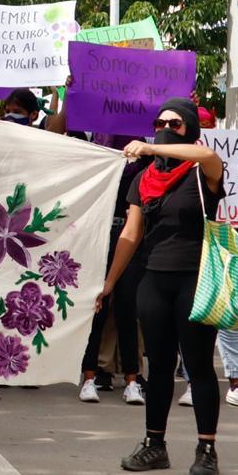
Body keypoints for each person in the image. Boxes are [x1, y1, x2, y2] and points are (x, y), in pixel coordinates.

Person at [100, 98, 224, 475]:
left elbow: (205, 154)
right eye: (160, 122)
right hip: (153, 281)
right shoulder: (144, 178)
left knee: (199, 366)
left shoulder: (202, 171)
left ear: (190, 128)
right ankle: (155, 445)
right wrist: (109, 283)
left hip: (195, 280)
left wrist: (152, 146)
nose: (165, 126)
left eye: (175, 122)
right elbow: (130, 234)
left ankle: (207, 449)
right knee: (159, 366)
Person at [79, 136, 147, 405]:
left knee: (128, 312)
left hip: (132, 241)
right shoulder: (98, 150)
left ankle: (132, 380)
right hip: (99, 238)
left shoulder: (148, 158)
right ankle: (89, 378)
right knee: (98, 309)